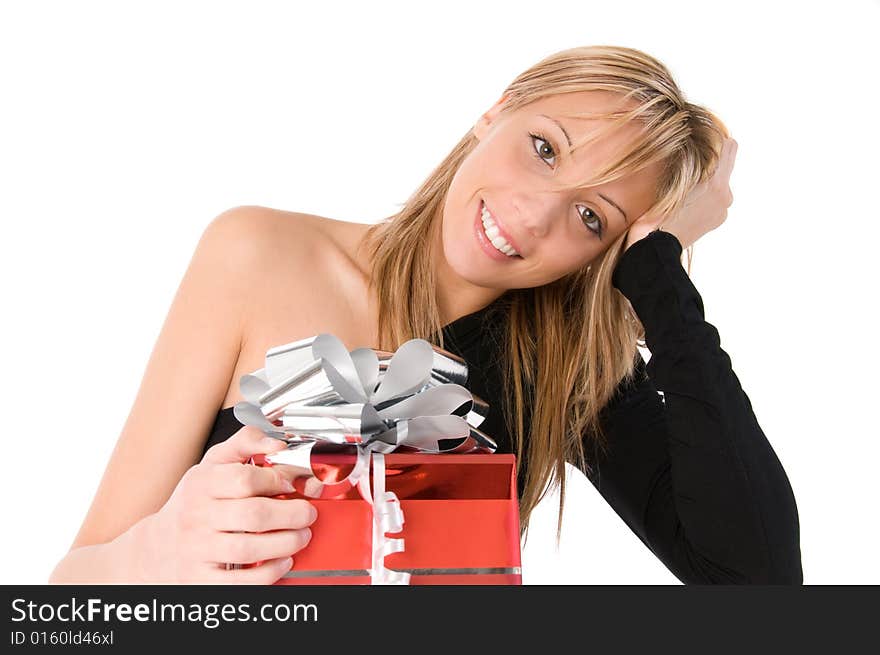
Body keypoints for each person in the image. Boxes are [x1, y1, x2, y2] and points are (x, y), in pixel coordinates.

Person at [49, 45, 802, 584]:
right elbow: (64, 602)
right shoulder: (257, 255)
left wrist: (660, 272)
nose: (533, 217)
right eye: (544, 148)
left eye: (591, 217)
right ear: (495, 112)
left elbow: (758, 582)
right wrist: (159, 552)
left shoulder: (571, 375)